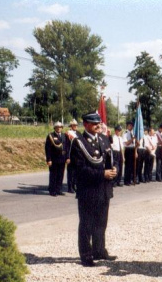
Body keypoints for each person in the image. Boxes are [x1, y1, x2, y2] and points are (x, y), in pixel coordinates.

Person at [70, 111, 119, 267]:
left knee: (101, 222)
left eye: (99, 122)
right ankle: (86, 255)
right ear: (85, 124)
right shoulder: (79, 143)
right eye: (94, 123)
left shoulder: (104, 139)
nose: (98, 125)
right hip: (88, 190)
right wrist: (102, 174)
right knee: (86, 224)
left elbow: (113, 159)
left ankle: (99, 250)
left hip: (104, 189)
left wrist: (115, 169)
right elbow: (80, 170)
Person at [45, 121, 68, 197]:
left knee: (60, 175)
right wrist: (49, 159)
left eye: (60, 127)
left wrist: (67, 157)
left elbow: (66, 147)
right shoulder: (51, 136)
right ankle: (52, 190)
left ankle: (58, 189)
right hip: (54, 159)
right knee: (53, 175)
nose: (59, 128)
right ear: (55, 128)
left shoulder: (64, 136)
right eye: (57, 127)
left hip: (62, 159)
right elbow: (48, 148)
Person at [65, 119, 79, 193]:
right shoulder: (68, 134)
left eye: (76, 125)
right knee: (70, 173)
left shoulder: (78, 133)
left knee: (76, 172)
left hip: (77, 156)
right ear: (71, 126)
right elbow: (67, 146)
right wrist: (67, 157)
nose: (75, 126)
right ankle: (70, 187)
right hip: (71, 155)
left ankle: (74, 186)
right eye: (74, 125)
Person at [122, 121, 135, 186]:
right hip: (128, 150)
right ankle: (126, 180)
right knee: (128, 166)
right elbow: (126, 143)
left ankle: (131, 179)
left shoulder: (132, 133)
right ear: (127, 126)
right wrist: (132, 139)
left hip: (133, 149)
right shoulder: (125, 133)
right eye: (130, 125)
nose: (131, 127)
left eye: (132, 126)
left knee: (132, 166)